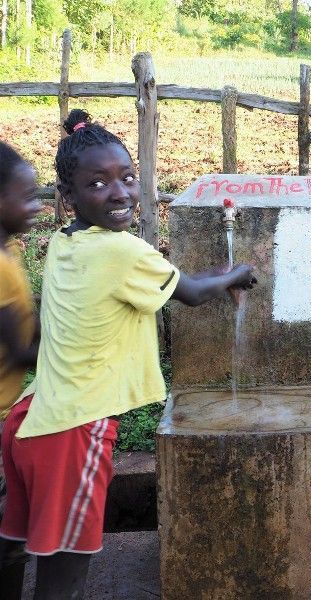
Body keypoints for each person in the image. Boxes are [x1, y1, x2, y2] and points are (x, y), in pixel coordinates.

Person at [0, 109, 257, 600]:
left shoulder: (65, 241)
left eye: (128, 178)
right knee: (64, 577)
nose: (119, 193)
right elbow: (192, 293)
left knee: (29, 553)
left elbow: (156, 281)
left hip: (31, 419)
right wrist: (236, 273)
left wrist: (212, 275)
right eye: (99, 184)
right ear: (69, 198)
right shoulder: (122, 251)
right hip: (73, 428)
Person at [0, 141, 42, 594]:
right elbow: (20, 351)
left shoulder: (8, 252)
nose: (36, 206)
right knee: (7, 536)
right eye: (27, 197)